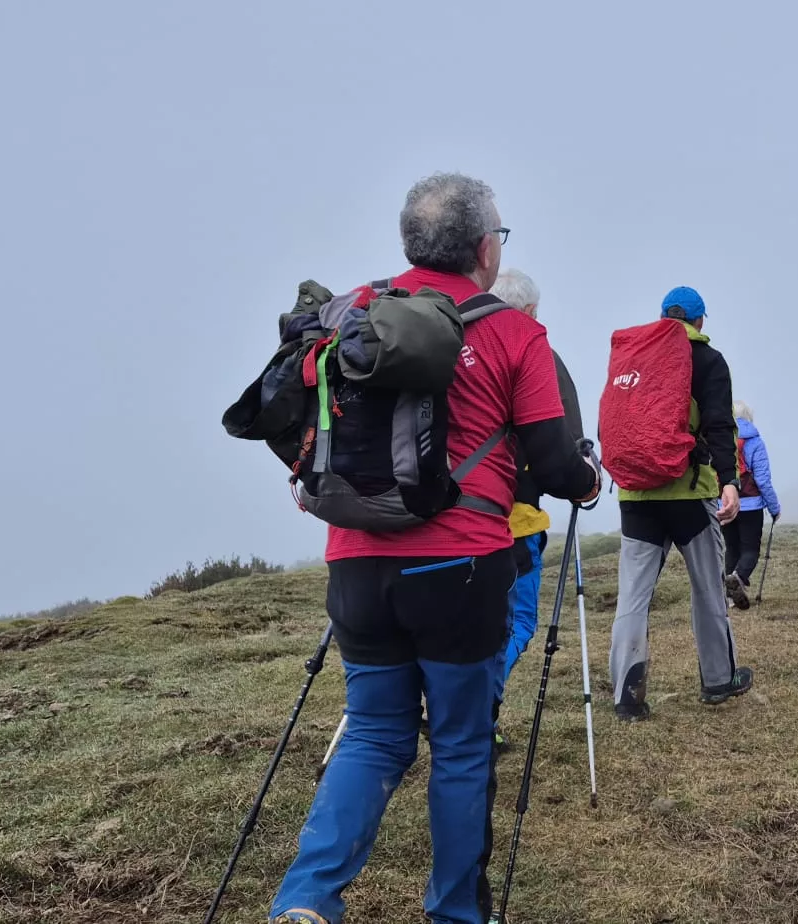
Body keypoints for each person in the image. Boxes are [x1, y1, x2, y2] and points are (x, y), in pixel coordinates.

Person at [270, 174, 600, 924]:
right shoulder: (516, 333)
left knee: (376, 733)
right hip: (460, 566)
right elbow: (550, 461)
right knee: (459, 747)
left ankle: (307, 899)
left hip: (355, 561)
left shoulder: (357, 311)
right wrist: (588, 481)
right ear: (486, 248)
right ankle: (454, 912)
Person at [606, 286, 754, 722]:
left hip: (635, 493)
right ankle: (717, 679)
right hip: (689, 490)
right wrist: (729, 480)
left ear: (662, 316)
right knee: (707, 588)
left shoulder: (635, 356)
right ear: (700, 321)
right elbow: (720, 423)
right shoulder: (707, 359)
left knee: (632, 597)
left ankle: (626, 696)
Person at [485, 269, 583, 751]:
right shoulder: (536, 354)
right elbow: (559, 448)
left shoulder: (455, 346)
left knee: (465, 625)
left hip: (452, 519)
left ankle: (459, 710)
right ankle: (477, 713)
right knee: (518, 621)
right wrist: (583, 479)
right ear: (527, 312)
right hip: (514, 519)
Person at [723, 400, 782, 608]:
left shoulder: (720, 437)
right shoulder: (755, 442)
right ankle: (738, 578)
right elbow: (763, 480)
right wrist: (774, 508)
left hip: (725, 503)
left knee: (731, 548)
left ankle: (728, 598)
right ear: (748, 417)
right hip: (751, 504)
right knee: (750, 550)